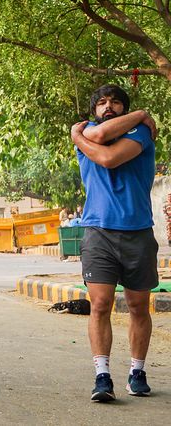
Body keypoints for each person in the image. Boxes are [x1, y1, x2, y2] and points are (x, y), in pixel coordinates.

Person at [70, 84, 158, 402]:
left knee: (137, 306)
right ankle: (102, 375)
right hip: (98, 233)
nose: (109, 106)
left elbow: (108, 159)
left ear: (127, 110)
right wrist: (82, 135)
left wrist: (75, 136)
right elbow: (98, 138)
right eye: (102, 103)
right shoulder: (91, 131)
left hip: (138, 232)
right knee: (101, 305)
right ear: (94, 111)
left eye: (116, 102)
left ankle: (137, 371)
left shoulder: (141, 134)